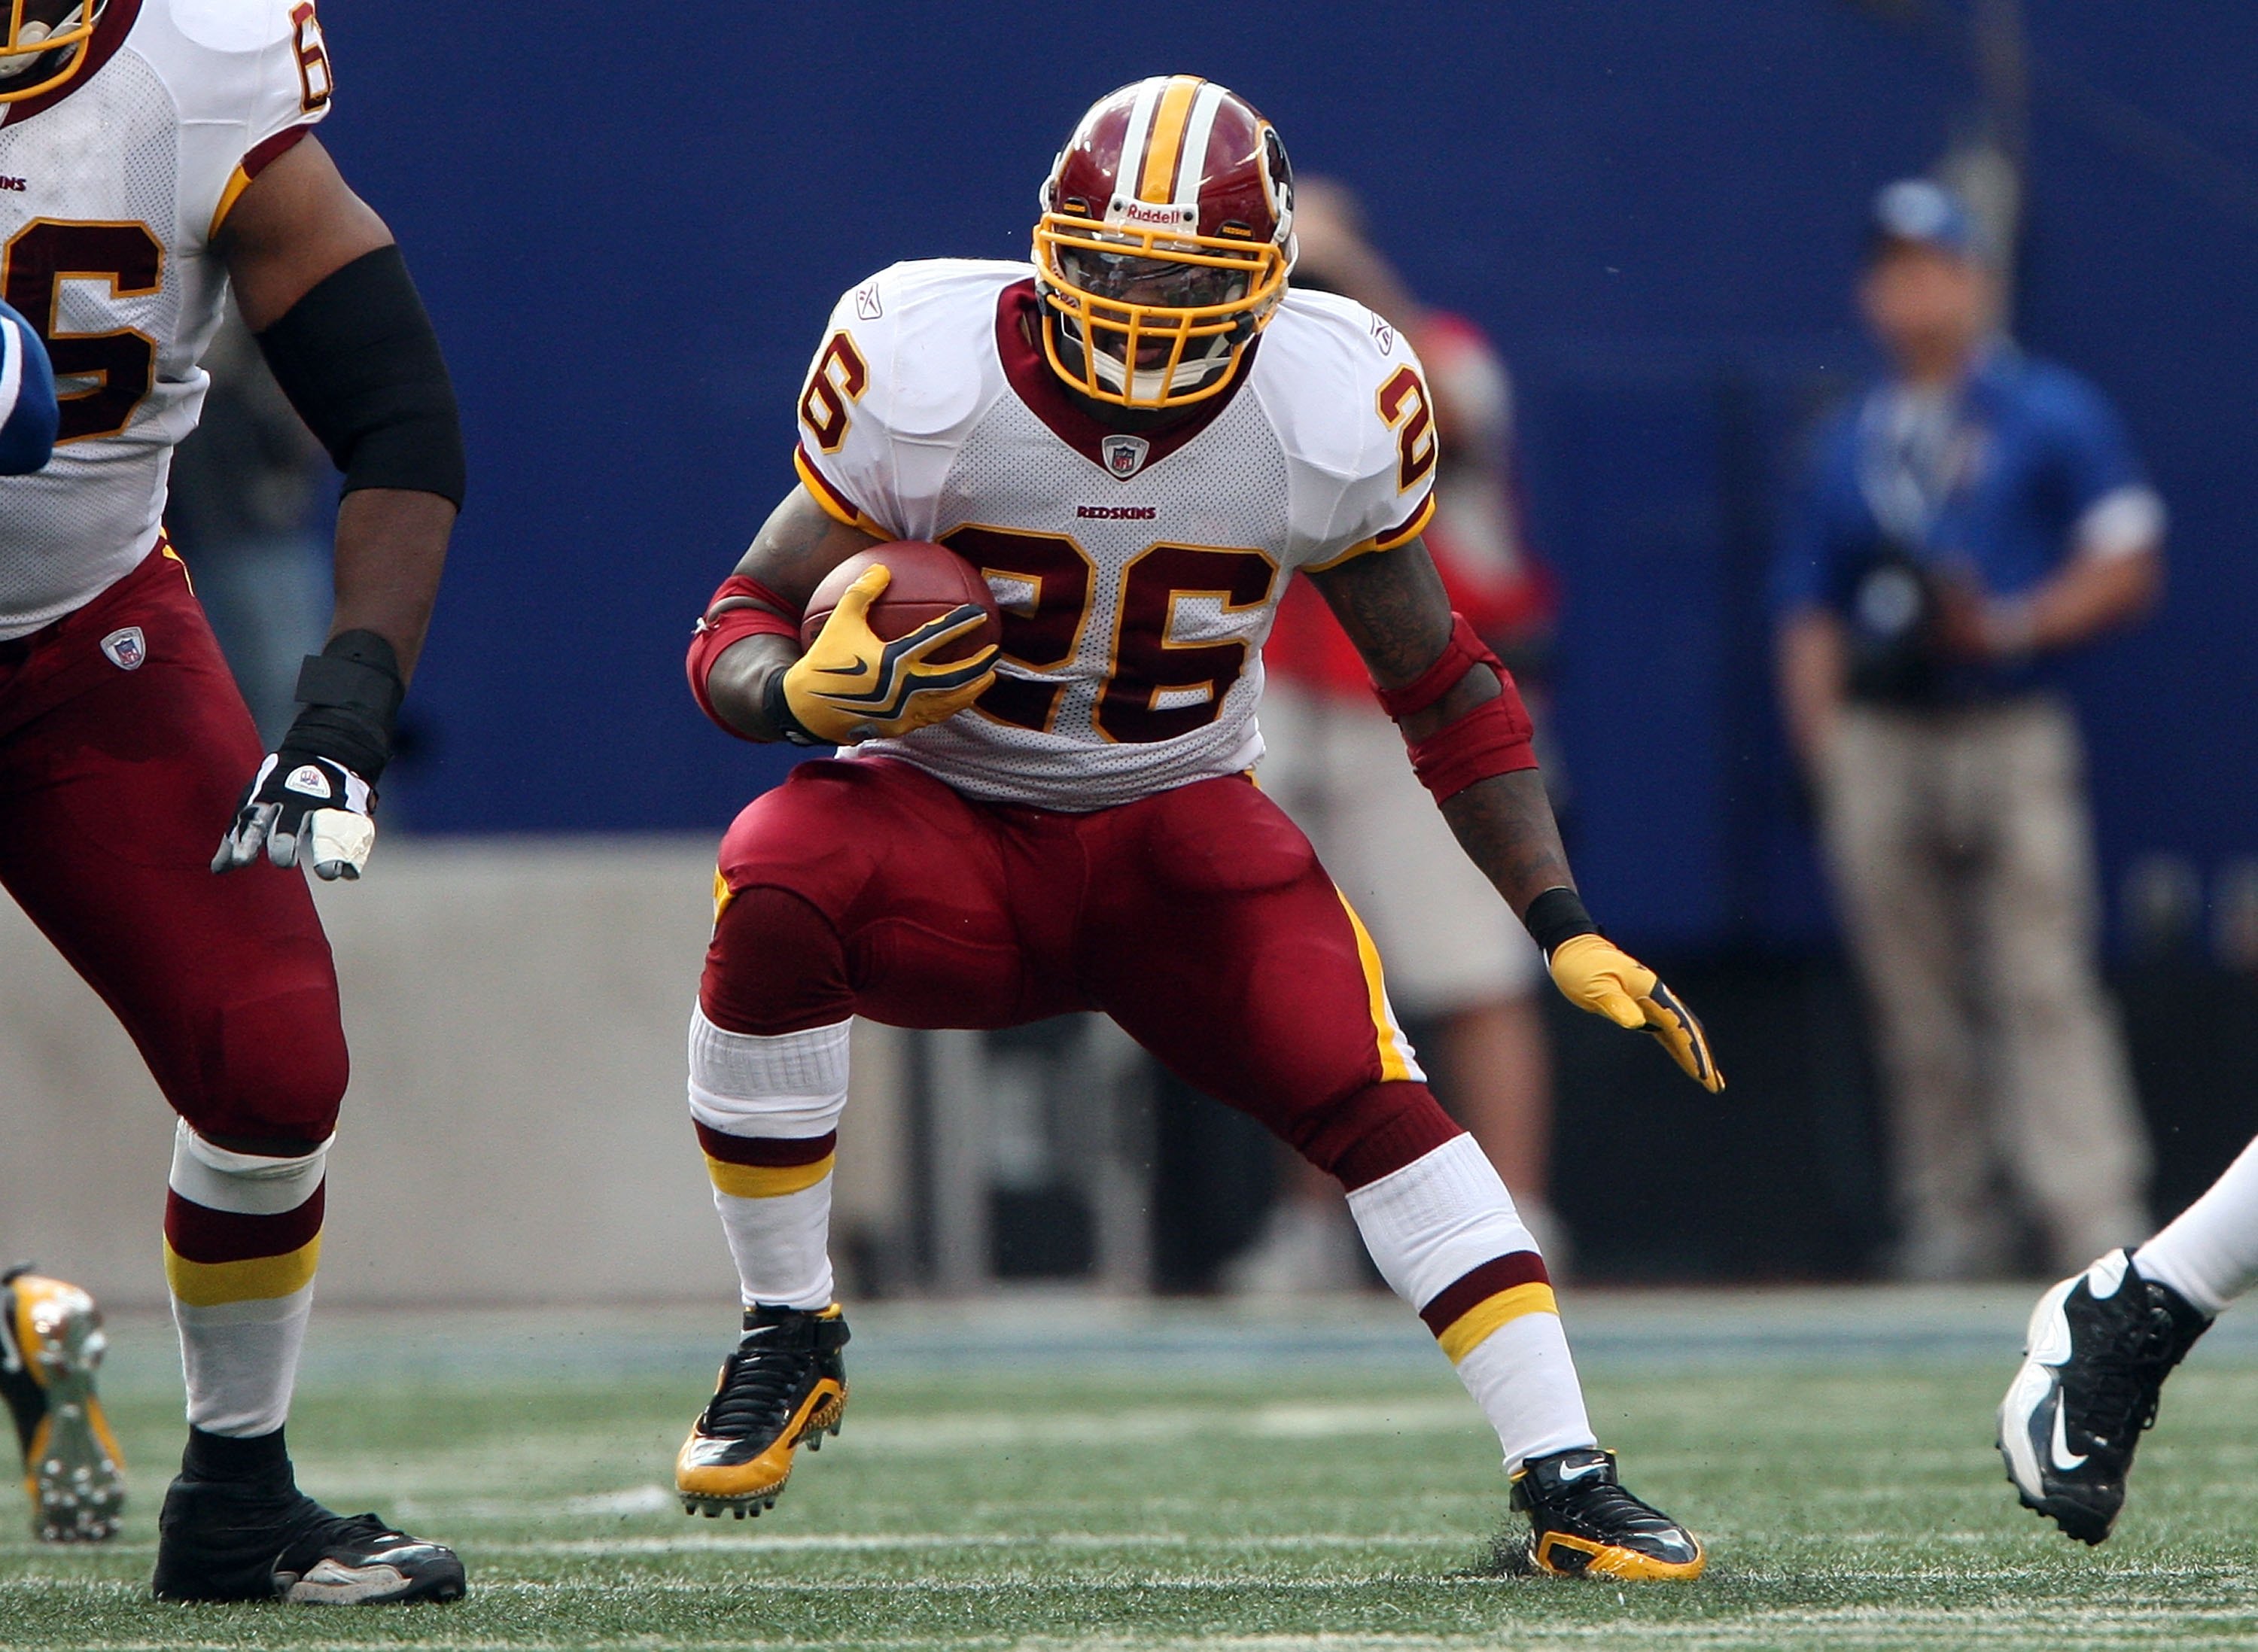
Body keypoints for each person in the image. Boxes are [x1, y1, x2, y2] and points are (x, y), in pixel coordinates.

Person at [676, 75, 1722, 1581]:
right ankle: (788, 1328)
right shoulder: (923, 364)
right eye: (1112, 267)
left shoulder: (1334, 398)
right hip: (948, 824)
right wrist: (792, 689)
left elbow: (1440, 683)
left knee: (1376, 1088)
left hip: (1175, 834)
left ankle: (1566, 1469)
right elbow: (736, 618)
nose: (1147, 311)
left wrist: (1559, 919)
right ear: (1047, 251)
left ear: (1274, 279)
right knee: (772, 876)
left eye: (1190, 278)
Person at [0, 0, 466, 1603]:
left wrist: (346, 700)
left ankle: (237, 1499)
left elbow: (398, 415)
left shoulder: (198, 65)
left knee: (270, 1062)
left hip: (82, 645)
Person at [1773, 179, 2165, 1281]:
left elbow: (2130, 560)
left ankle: (2090, 1208)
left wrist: (2013, 624)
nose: (1914, 292)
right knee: (1915, 991)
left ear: (1980, 282)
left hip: (2007, 718)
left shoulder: (2050, 412)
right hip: (1885, 732)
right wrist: (1822, 751)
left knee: (2042, 973)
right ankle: (1953, 1209)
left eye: (1935, 267)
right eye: (1893, 271)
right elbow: (1806, 604)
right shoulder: (1851, 434)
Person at [1232, 178, 1564, 1291]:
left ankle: (1520, 1211)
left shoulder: (1439, 354)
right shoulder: (1250, 376)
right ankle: (1313, 1231)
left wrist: (1350, 281)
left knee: (1473, 969)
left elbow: (1453, 413)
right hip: (1290, 696)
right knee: (1296, 976)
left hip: (1425, 700)